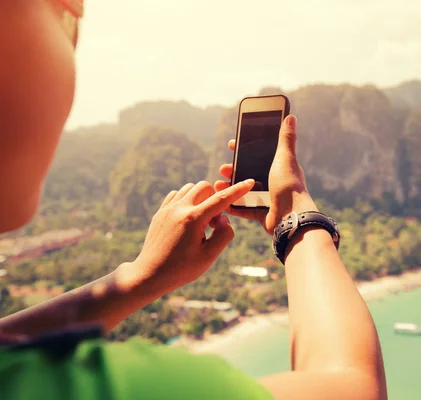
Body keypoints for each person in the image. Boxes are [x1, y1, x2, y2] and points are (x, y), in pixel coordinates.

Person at [0, 1, 387, 399]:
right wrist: (298, 216)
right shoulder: (118, 389)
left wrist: (137, 277)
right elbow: (355, 387)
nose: (75, 18)